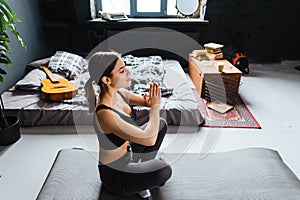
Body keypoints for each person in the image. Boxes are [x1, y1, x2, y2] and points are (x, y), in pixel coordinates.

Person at [85, 51, 172, 198]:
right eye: (122, 70)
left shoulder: (118, 93)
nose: (128, 72)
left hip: (129, 153)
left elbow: (146, 102)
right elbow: (149, 139)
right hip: (117, 175)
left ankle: (142, 176)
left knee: (161, 125)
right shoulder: (105, 113)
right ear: (106, 79)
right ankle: (139, 180)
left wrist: (150, 101)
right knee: (164, 170)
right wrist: (155, 108)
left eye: (125, 67)